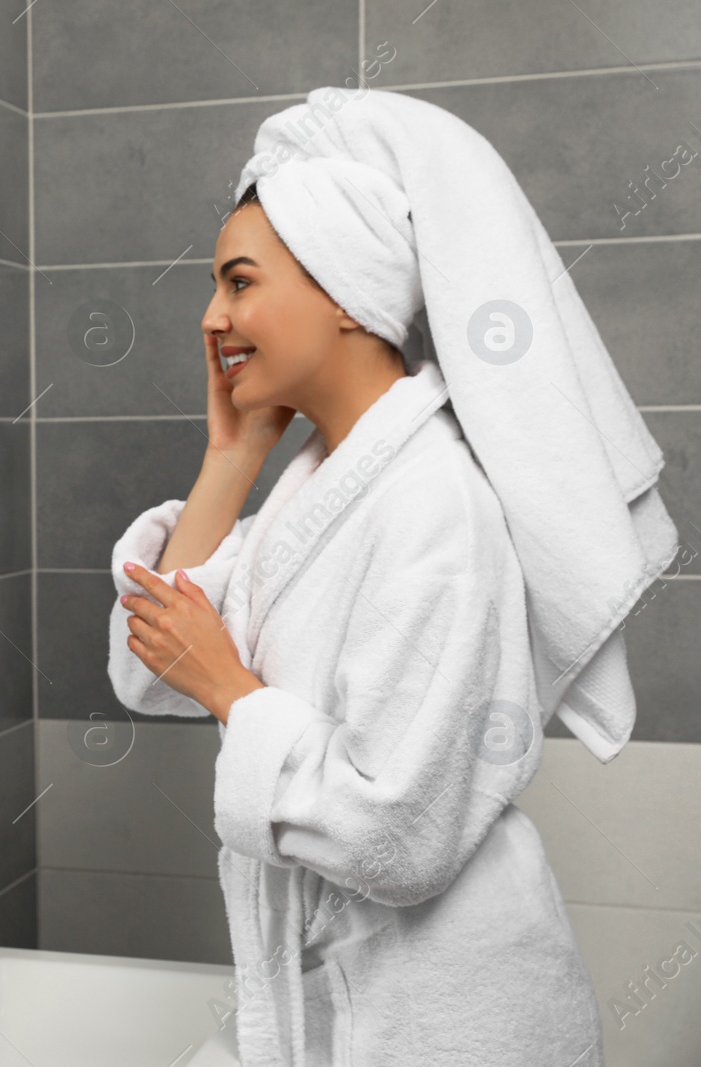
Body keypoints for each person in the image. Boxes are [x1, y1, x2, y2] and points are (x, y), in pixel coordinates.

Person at [107, 88, 677, 1066]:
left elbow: (400, 833)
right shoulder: (317, 485)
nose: (212, 316)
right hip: (346, 1006)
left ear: (340, 286)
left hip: (453, 1021)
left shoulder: (433, 500)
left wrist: (230, 690)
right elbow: (150, 666)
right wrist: (229, 456)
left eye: (238, 282)